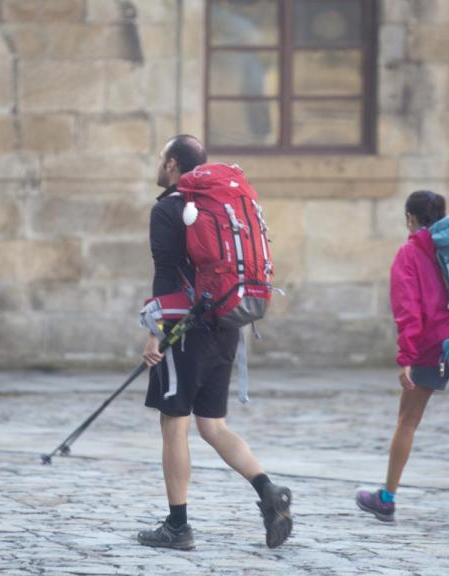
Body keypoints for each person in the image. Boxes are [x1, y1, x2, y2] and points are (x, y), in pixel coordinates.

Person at [136, 135, 293, 550]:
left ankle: (177, 526)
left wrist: (155, 333)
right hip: (226, 321)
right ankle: (268, 491)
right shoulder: (221, 205)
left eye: (161, 158)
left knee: (174, 424)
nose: (158, 165)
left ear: (172, 164)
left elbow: (166, 275)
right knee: (212, 425)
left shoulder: (168, 209)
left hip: (184, 330)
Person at [356, 191, 449, 532]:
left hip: (433, 347)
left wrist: (406, 356)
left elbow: (408, 310)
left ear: (410, 219)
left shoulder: (410, 253)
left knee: (407, 421)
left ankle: (387, 498)